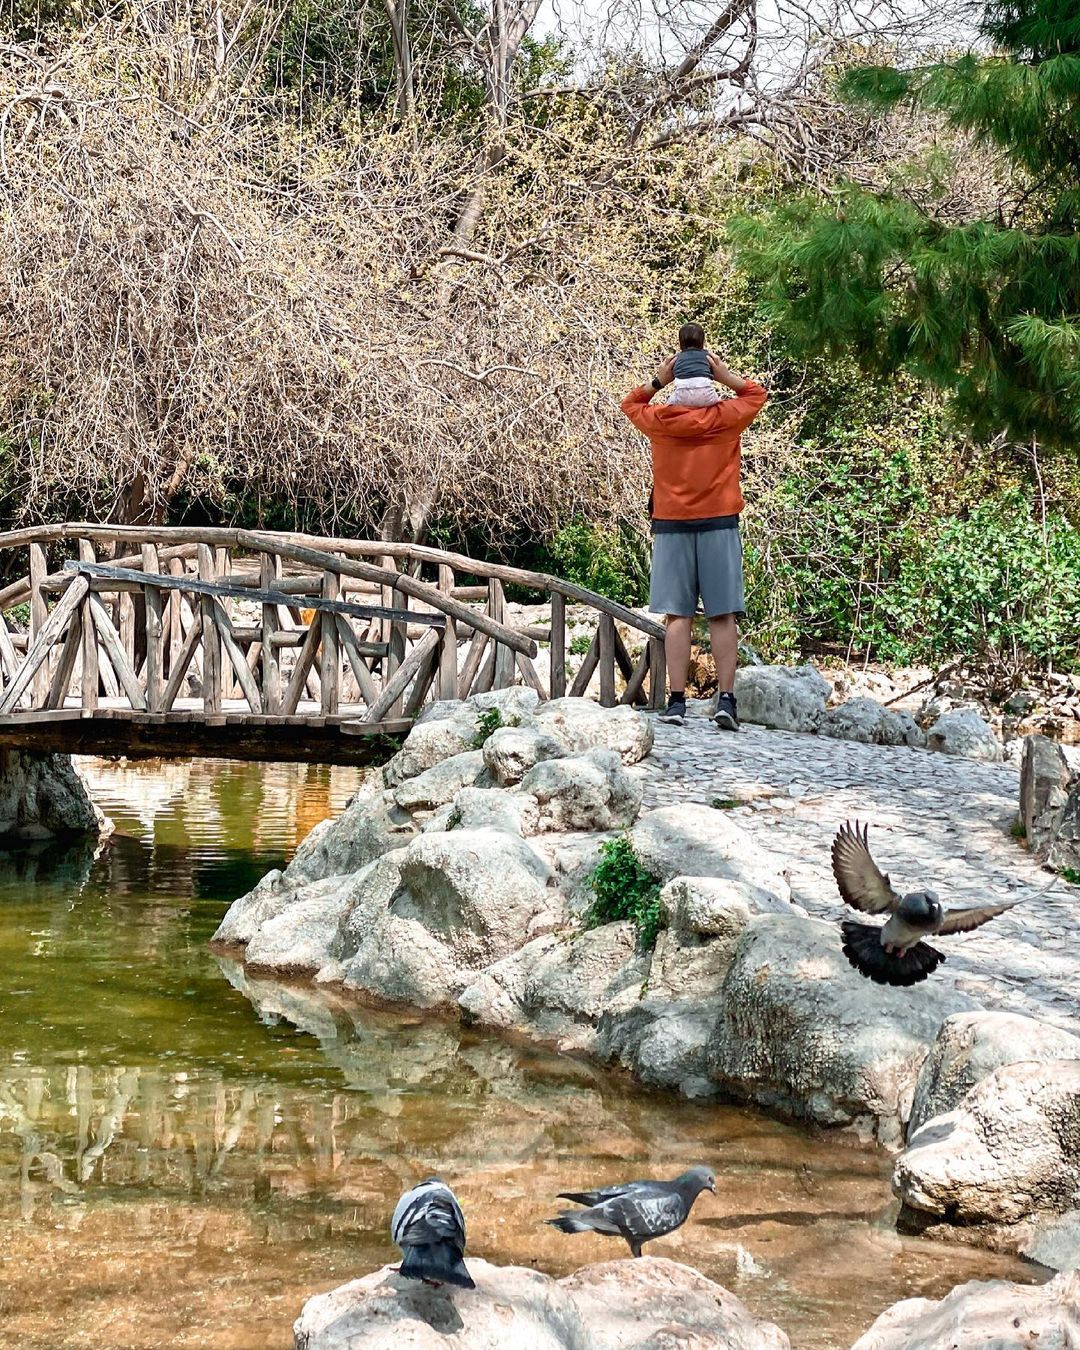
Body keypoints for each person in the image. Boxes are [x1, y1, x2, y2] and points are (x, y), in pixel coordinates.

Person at [621, 329, 768, 729]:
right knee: (722, 615)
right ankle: (726, 701)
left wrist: (658, 380)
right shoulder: (725, 417)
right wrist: (726, 376)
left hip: (671, 525)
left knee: (678, 616)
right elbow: (756, 394)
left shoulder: (662, 420)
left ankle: (676, 702)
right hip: (720, 522)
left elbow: (630, 402)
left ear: (677, 383)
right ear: (708, 380)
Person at [666, 321, 720, 407]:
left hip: (682, 395)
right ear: (703, 343)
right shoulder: (708, 356)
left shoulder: (676, 358)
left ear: (680, 344)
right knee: (719, 405)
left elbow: (671, 372)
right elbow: (715, 371)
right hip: (706, 394)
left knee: (667, 407)